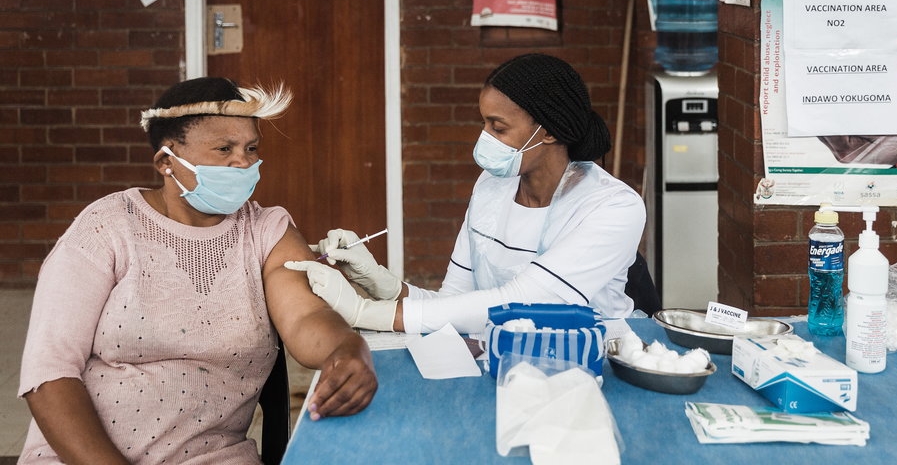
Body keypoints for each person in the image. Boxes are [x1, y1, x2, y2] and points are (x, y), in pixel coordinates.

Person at [18, 78, 377, 464]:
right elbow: (50, 373)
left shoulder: (265, 230)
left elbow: (306, 315)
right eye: (224, 149)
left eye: (251, 148)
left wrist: (347, 348)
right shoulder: (106, 227)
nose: (243, 162)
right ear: (166, 161)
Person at [287, 53, 646, 334]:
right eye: (484, 122)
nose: (484, 138)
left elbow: (522, 304)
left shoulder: (613, 207)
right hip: (508, 358)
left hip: (594, 364)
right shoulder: (492, 187)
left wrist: (366, 312)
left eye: (498, 127)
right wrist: (383, 284)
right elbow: (455, 304)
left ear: (549, 131)